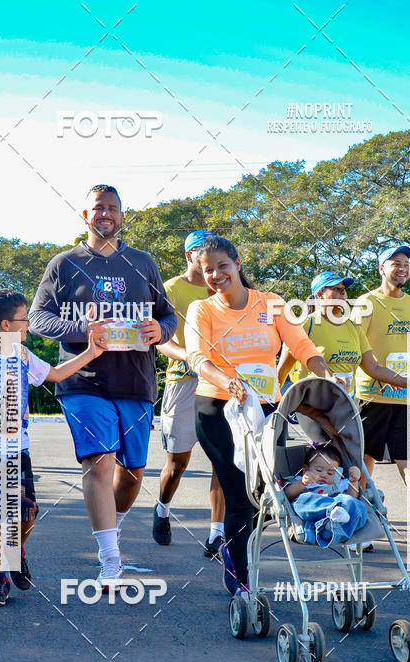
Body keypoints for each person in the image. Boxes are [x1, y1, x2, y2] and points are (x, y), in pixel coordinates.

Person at [29, 184, 177, 587]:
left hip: (136, 381)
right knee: (100, 463)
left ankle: (113, 524)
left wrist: (159, 330)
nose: (105, 214)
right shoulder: (64, 264)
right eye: (98, 208)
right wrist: (84, 330)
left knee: (132, 472)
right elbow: (38, 318)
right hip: (83, 381)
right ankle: (110, 557)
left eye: (112, 208)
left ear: (122, 216)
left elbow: (168, 316)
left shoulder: (142, 262)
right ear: (85, 215)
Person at [184, 234, 336, 596]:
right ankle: (240, 580)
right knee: (239, 495)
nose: (216, 275)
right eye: (208, 270)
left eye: (223, 266)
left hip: (268, 409)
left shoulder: (271, 303)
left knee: (265, 492)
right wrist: (227, 381)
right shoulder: (201, 309)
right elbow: (196, 357)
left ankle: (236, 552)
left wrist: (325, 374)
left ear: (237, 264)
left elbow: (302, 346)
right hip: (218, 409)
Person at [0, 288, 105, 606]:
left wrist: (91, 353)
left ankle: (15, 552)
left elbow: (55, 374)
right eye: (24, 319)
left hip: (16, 451)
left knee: (25, 515)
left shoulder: (22, 355)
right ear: (6, 325)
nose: (28, 325)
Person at [153, 229, 225, 556]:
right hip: (182, 382)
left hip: (220, 383)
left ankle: (216, 535)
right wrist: (189, 356)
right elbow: (159, 338)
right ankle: (162, 509)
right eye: (201, 251)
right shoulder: (171, 289)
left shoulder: (224, 287)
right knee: (177, 464)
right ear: (188, 255)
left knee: (224, 460)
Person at [352, 245, 410, 483]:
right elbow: (356, 351)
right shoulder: (366, 303)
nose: (402, 268)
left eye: (406, 264)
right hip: (372, 395)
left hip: (407, 396)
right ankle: (360, 502)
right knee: (364, 458)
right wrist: (390, 377)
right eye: (396, 264)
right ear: (381, 269)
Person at [277, 271, 408, 396]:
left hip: (345, 403)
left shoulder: (354, 327)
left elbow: (373, 367)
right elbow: (283, 370)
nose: (343, 292)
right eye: (336, 289)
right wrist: (272, 401)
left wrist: (404, 381)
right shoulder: (305, 325)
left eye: (344, 289)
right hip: (310, 403)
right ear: (319, 294)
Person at [284, 446, 367, 546]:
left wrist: (353, 481)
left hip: (332, 520)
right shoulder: (301, 479)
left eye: (330, 473)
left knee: (352, 502)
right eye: (319, 470)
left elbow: (352, 498)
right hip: (310, 509)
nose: (324, 475)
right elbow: (287, 495)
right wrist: (302, 483)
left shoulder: (340, 483)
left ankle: (333, 521)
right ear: (305, 469)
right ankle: (333, 509)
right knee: (302, 500)